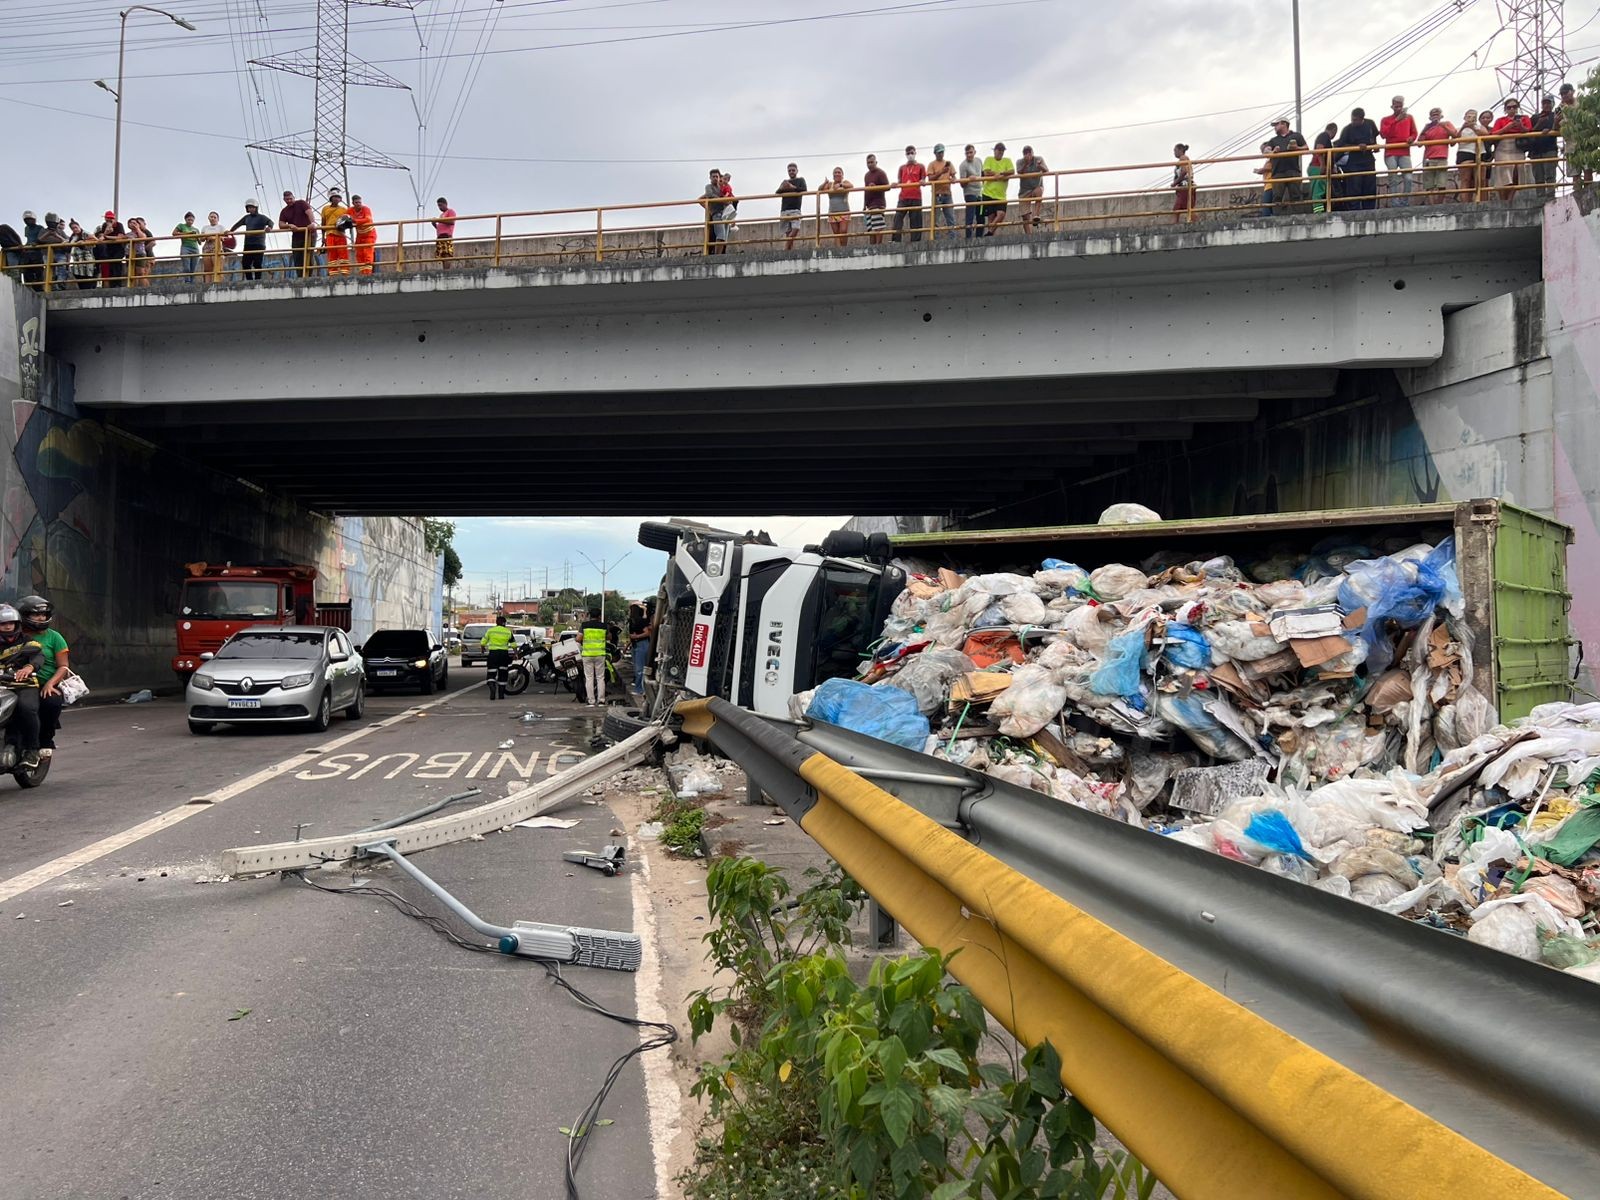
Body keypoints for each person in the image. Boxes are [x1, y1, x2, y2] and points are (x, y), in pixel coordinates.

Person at [16, 596, 67, 758]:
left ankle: (45, 740)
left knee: (52, 702)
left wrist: (51, 683)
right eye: (36, 614)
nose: (41, 618)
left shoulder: (55, 637)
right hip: (17, 683)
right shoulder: (15, 636)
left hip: (45, 683)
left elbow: (63, 667)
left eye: (44, 614)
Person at [0, 604, 43, 770]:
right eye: (3, 624)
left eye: (11, 623)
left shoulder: (28, 642)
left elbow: (38, 657)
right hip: (2, 686)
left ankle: (32, 750)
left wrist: (29, 668)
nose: (8, 626)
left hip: (24, 685)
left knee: (26, 708)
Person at [1335, 107, 1381, 211]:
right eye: (1352, 119)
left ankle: (1369, 210)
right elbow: (1341, 145)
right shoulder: (1347, 129)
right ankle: (1354, 211)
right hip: (1354, 162)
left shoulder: (1370, 124)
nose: (1353, 122)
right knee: (1354, 187)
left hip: (1368, 160)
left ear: (1362, 119)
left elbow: (1374, 138)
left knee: (1369, 186)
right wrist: (1356, 146)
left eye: (1355, 120)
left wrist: (1374, 146)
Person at [1379, 95, 1417, 207]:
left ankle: (1404, 202)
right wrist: (1396, 121)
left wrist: (1411, 138)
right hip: (1390, 152)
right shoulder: (1385, 120)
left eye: (1400, 106)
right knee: (1393, 178)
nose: (1398, 109)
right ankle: (1395, 203)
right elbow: (1383, 134)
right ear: (1392, 106)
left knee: (1409, 178)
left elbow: (1414, 132)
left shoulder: (1409, 118)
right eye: (1396, 106)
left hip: (1404, 152)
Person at [1491, 99, 1531, 203]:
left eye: (1514, 107)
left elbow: (1529, 130)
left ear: (1517, 108)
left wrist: (1520, 126)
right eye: (1509, 107)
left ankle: (1509, 199)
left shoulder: (1524, 118)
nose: (1512, 109)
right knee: (1504, 173)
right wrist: (1506, 128)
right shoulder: (1500, 120)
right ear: (1505, 109)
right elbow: (1494, 134)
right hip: (1503, 146)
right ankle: (1503, 199)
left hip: (1518, 146)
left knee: (1517, 173)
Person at [1265, 118, 1308, 215]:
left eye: (1276, 125)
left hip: (1293, 170)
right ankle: (1277, 219)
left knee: (1296, 195)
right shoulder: (1273, 140)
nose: (1275, 127)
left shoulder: (1296, 136)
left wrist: (1297, 148)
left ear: (1284, 124)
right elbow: (1266, 151)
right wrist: (1273, 151)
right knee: (1277, 197)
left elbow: (1306, 148)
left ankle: (1298, 217)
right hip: (1278, 172)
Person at [1417, 108, 1457, 204]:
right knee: (1429, 184)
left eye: (1437, 114)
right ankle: (1431, 205)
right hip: (1428, 158)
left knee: (1441, 183)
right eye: (1433, 115)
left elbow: (1455, 135)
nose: (1435, 116)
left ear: (1441, 116)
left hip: (1442, 157)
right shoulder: (1427, 127)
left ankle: (1439, 204)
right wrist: (1425, 129)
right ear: (1430, 117)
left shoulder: (1447, 123)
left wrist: (1444, 126)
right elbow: (1419, 143)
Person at [1525, 94, 1560, 198]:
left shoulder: (1555, 116)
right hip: (1535, 151)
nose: (1546, 105)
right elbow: (1529, 132)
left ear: (1553, 104)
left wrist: (1554, 124)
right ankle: (1540, 197)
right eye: (1544, 103)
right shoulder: (1535, 117)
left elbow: (1558, 129)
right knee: (1538, 177)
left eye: (1548, 103)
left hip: (1550, 149)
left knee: (1550, 175)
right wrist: (1539, 124)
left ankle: (1550, 196)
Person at [230, 199, 273, 281]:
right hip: (248, 243)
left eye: (252, 207)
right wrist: (230, 231)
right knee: (245, 263)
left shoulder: (262, 217)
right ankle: (249, 280)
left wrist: (269, 227)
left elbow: (270, 222)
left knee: (257, 263)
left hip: (259, 244)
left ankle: (257, 280)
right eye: (249, 208)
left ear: (256, 208)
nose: (251, 209)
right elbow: (237, 224)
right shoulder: (247, 218)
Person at [278, 190, 317, 278]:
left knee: (308, 255)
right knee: (297, 257)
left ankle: (309, 276)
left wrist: (313, 223)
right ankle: (300, 277)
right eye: (287, 199)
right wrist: (289, 225)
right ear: (284, 200)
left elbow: (309, 212)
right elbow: (281, 224)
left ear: (293, 197)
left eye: (290, 199)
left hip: (309, 233)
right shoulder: (284, 211)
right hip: (297, 236)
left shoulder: (301, 203)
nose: (289, 201)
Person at [893, 145, 925, 243]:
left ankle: (915, 241)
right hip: (903, 197)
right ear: (905, 155)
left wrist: (923, 181)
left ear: (915, 153)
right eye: (908, 153)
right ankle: (896, 240)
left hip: (916, 197)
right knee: (897, 218)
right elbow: (899, 180)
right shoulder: (902, 168)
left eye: (912, 153)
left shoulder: (921, 166)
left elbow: (923, 179)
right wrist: (895, 184)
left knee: (915, 220)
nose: (910, 155)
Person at [479, 614, 515, 700]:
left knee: (491, 672)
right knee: (503, 673)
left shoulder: (490, 631)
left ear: (496, 622)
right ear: (504, 623)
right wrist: (515, 653)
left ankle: (492, 687)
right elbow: (513, 644)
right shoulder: (508, 631)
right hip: (503, 654)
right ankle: (501, 694)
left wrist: (483, 649)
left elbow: (483, 642)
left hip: (493, 654)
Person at [579, 608, 609, 708]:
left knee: (589, 678)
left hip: (587, 655)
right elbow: (609, 637)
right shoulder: (604, 626)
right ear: (600, 616)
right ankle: (601, 700)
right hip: (600, 654)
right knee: (600, 677)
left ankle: (591, 701)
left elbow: (578, 638)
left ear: (589, 615)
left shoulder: (584, 625)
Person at [982, 142, 1013, 236]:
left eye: (1002, 150)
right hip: (988, 193)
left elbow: (1012, 171)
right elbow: (986, 172)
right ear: (994, 150)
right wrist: (999, 174)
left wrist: (1001, 174)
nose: (1000, 152)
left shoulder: (1007, 160)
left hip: (1001, 195)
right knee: (991, 217)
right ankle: (991, 236)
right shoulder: (989, 159)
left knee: (1001, 214)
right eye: (999, 150)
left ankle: (989, 233)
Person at [775, 163, 807, 251]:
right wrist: (783, 187)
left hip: (795, 209)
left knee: (796, 228)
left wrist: (792, 187)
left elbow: (804, 189)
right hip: (785, 209)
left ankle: (785, 249)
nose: (791, 172)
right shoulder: (785, 181)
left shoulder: (800, 180)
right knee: (788, 232)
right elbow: (777, 192)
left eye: (793, 170)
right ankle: (789, 251)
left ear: (797, 171)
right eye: (789, 170)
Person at [1016, 145, 1048, 231]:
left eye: (1029, 152)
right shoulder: (1020, 162)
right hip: (1024, 191)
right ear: (1023, 155)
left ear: (1032, 153)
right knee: (1025, 216)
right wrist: (1026, 164)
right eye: (1025, 153)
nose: (1028, 155)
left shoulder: (1038, 159)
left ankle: (1036, 216)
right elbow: (1019, 172)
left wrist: (1040, 166)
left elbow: (1046, 170)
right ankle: (1028, 236)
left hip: (1036, 187)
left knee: (1039, 192)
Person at [819, 166, 852, 247]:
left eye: (839, 172)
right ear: (833, 175)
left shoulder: (845, 182)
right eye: (835, 172)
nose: (837, 174)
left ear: (842, 175)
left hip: (844, 211)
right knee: (836, 234)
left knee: (843, 231)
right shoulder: (830, 184)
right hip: (832, 212)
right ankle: (838, 250)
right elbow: (819, 190)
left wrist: (840, 185)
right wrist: (824, 183)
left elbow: (851, 186)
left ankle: (844, 248)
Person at [927, 144, 956, 237]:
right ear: (935, 153)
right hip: (937, 194)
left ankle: (952, 237)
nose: (941, 154)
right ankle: (936, 238)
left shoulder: (949, 163)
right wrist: (941, 172)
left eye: (942, 152)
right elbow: (930, 179)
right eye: (939, 152)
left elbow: (954, 176)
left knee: (950, 217)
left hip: (947, 193)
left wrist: (953, 179)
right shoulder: (932, 164)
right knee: (936, 219)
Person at [862, 153, 890, 245]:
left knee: (878, 226)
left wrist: (876, 187)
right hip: (869, 205)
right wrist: (864, 205)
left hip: (878, 203)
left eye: (871, 162)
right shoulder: (866, 175)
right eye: (868, 163)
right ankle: (872, 247)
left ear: (876, 162)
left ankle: (878, 246)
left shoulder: (881, 173)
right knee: (870, 228)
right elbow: (865, 190)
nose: (870, 164)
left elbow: (887, 187)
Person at [958, 144, 985, 238]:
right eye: (967, 153)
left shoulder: (979, 161)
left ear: (974, 152)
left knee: (981, 216)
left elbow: (983, 174)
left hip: (979, 192)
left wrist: (984, 185)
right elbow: (961, 184)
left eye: (971, 152)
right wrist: (968, 179)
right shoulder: (963, 165)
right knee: (970, 215)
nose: (969, 155)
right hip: (969, 192)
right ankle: (968, 237)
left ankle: (979, 237)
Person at [35, 214, 68, 290]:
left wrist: (56, 235)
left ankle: (60, 283)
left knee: (61, 266)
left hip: (59, 252)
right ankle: (51, 286)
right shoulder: (43, 230)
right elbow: (39, 240)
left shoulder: (60, 231)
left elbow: (66, 241)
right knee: (49, 269)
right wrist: (48, 233)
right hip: (47, 253)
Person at [1309, 124, 1338, 212]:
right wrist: (1322, 165)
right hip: (1317, 167)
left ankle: (1323, 210)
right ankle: (1318, 212)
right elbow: (1319, 149)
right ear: (1334, 130)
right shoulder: (1324, 136)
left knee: (1323, 191)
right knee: (1318, 191)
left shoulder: (1325, 137)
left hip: (1318, 167)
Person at [94, 211, 127, 287]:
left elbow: (120, 237)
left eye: (110, 219)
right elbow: (101, 237)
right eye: (107, 219)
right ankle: (112, 285)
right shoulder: (104, 225)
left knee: (117, 265)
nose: (108, 221)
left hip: (118, 248)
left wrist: (107, 237)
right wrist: (106, 232)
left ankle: (117, 284)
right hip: (108, 249)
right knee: (110, 267)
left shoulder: (119, 225)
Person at [627, 599, 651, 699]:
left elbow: (647, 632)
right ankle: (640, 687)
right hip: (637, 644)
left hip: (641, 644)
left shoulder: (639, 621)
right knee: (638, 667)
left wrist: (636, 637)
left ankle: (639, 689)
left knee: (639, 668)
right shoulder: (636, 621)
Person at [321, 189, 350, 274]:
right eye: (335, 197)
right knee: (331, 254)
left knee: (343, 254)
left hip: (341, 234)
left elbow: (348, 222)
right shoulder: (325, 209)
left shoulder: (344, 210)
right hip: (330, 234)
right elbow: (323, 223)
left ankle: (345, 272)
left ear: (340, 199)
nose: (336, 199)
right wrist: (323, 237)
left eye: (338, 197)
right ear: (331, 198)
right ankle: (333, 273)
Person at [348, 194, 377, 275]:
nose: (358, 204)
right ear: (353, 203)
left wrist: (354, 221)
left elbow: (368, 219)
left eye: (360, 202)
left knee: (367, 254)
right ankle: (362, 273)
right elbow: (345, 217)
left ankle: (367, 273)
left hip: (369, 234)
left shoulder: (366, 209)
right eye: (356, 202)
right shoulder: (350, 210)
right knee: (359, 254)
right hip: (360, 235)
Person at [1455, 109, 1481, 200]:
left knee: (1475, 181)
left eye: (1473, 116)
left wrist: (1473, 127)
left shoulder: (1478, 127)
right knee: (1465, 179)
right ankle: (1465, 202)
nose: (1471, 118)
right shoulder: (1459, 128)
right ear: (1464, 117)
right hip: (1464, 152)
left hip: (1477, 153)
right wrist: (1463, 127)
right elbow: (1454, 139)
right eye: (1469, 116)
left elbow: (1485, 134)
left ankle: (1475, 200)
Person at [701, 169, 728, 255]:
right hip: (716, 213)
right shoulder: (709, 187)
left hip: (725, 213)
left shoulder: (721, 187)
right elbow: (709, 195)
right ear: (710, 177)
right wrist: (709, 209)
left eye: (717, 176)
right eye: (713, 176)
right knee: (721, 235)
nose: (715, 178)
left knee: (724, 238)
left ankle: (720, 255)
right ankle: (717, 257)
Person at [67, 219, 98, 290]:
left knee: (87, 276)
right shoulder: (73, 236)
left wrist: (84, 241)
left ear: (79, 226)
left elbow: (96, 240)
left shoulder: (85, 233)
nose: (75, 229)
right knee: (78, 276)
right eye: (73, 228)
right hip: (77, 260)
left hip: (86, 259)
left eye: (76, 227)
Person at [199, 211, 228, 282]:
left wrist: (213, 237)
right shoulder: (205, 227)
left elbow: (224, 238)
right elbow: (201, 239)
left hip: (217, 247)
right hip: (207, 248)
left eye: (215, 217)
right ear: (208, 218)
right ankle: (207, 285)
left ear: (218, 219)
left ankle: (218, 284)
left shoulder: (221, 227)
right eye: (211, 217)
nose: (213, 218)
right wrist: (206, 237)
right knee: (207, 269)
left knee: (218, 268)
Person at [126, 217, 155, 286]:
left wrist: (143, 249)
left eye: (137, 223)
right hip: (132, 255)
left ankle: (146, 289)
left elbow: (152, 242)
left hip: (146, 256)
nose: (134, 224)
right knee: (133, 274)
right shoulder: (129, 234)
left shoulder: (145, 232)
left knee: (142, 274)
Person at [172, 212, 201, 281]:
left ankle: (192, 282)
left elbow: (200, 242)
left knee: (193, 268)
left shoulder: (196, 229)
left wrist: (196, 236)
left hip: (195, 248)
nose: (190, 221)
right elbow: (174, 233)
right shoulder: (181, 225)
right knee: (186, 267)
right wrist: (188, 233)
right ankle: (187, 281)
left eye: (192, 220)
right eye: (189, 219)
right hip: (185, 247)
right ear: (185, 219)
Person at [1171, 143, 1196, 222]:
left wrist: (1175, 183)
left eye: (1175, 150)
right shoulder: (1184, 159)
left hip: (1184, 187)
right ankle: (1197, 223)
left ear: (1180, 150)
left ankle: (1174, 228)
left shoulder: (1183, 158)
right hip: (1185, 187)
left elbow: (1184, 171)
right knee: (1187, 208)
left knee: (1177, 209)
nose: (1174, 153)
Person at [432, 196, 456, 268]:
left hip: (446, 236)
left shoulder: (450, 211)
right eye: (438, 206)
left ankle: (447, 271)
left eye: (440, 205)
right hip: (440, 236)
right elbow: (441, 228)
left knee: (446, 254)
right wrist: (434, 224)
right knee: (442, 255)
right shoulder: (441, 215)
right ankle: (444, 270)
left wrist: (438, 220)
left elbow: (452, 221)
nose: (439, 207)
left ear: (445, 204)